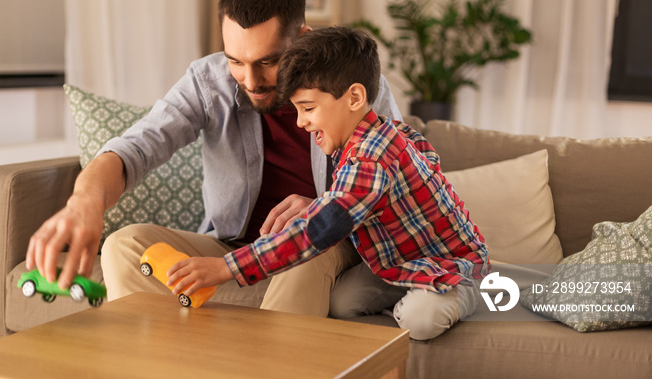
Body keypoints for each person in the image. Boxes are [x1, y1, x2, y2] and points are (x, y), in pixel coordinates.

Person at [25, 0, 402, 317]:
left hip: (327, 245)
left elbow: (397, 183)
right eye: (236, 60)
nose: (250, 81)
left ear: (302, 39)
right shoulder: (209, 83)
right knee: (125, 245)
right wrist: (84, 203)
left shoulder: (354, 87)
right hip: (233, 246)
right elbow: (137, 146)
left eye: (268, 61)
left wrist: (326, 208)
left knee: (308, 243)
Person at [167, 26, 490, 340]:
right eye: (296, 109)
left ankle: (483, 287)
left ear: (354, 98)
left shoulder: (371, 159)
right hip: (397, 262)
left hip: (450, 264)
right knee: (342, 304)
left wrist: (227, 268)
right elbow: (421, 162)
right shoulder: (378, 134)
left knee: (419, 320)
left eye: (308, 108)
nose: (301, 122)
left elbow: (317, 230)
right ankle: (416, 295)